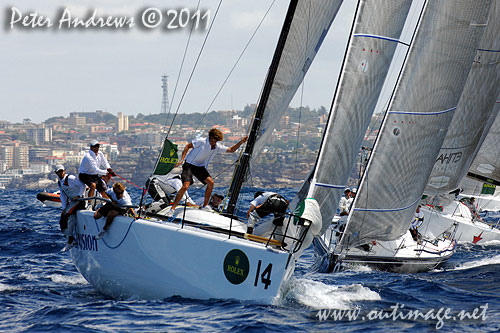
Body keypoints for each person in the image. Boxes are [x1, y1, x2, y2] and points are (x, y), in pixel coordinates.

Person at [169, 128, 248, 213]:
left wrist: (241, 142)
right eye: (211, 140)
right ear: (209, 137)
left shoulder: (217, 147)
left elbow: (231, 150)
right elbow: (187, 146)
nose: (212, 142)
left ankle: (205, 206)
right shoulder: (201, 141)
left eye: (215, 141)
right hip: (189, 165)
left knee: (211, 183)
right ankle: (172, 208)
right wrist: (182, 159)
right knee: (185, 186)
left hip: (200, 167)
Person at [54, 164, 86, 251]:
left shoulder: (71, 178)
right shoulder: (60, 182)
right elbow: (63, 195)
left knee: (68, 215)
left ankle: (70, 241)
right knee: (62, 219)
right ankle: (69, 238)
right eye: (59, 172)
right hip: (72, 202)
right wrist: (64, 208)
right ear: (56, 173)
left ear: (64, 171)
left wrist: (79, 195)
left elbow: (83, 186)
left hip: (80, 201)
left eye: (62, 171)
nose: (61, 173)